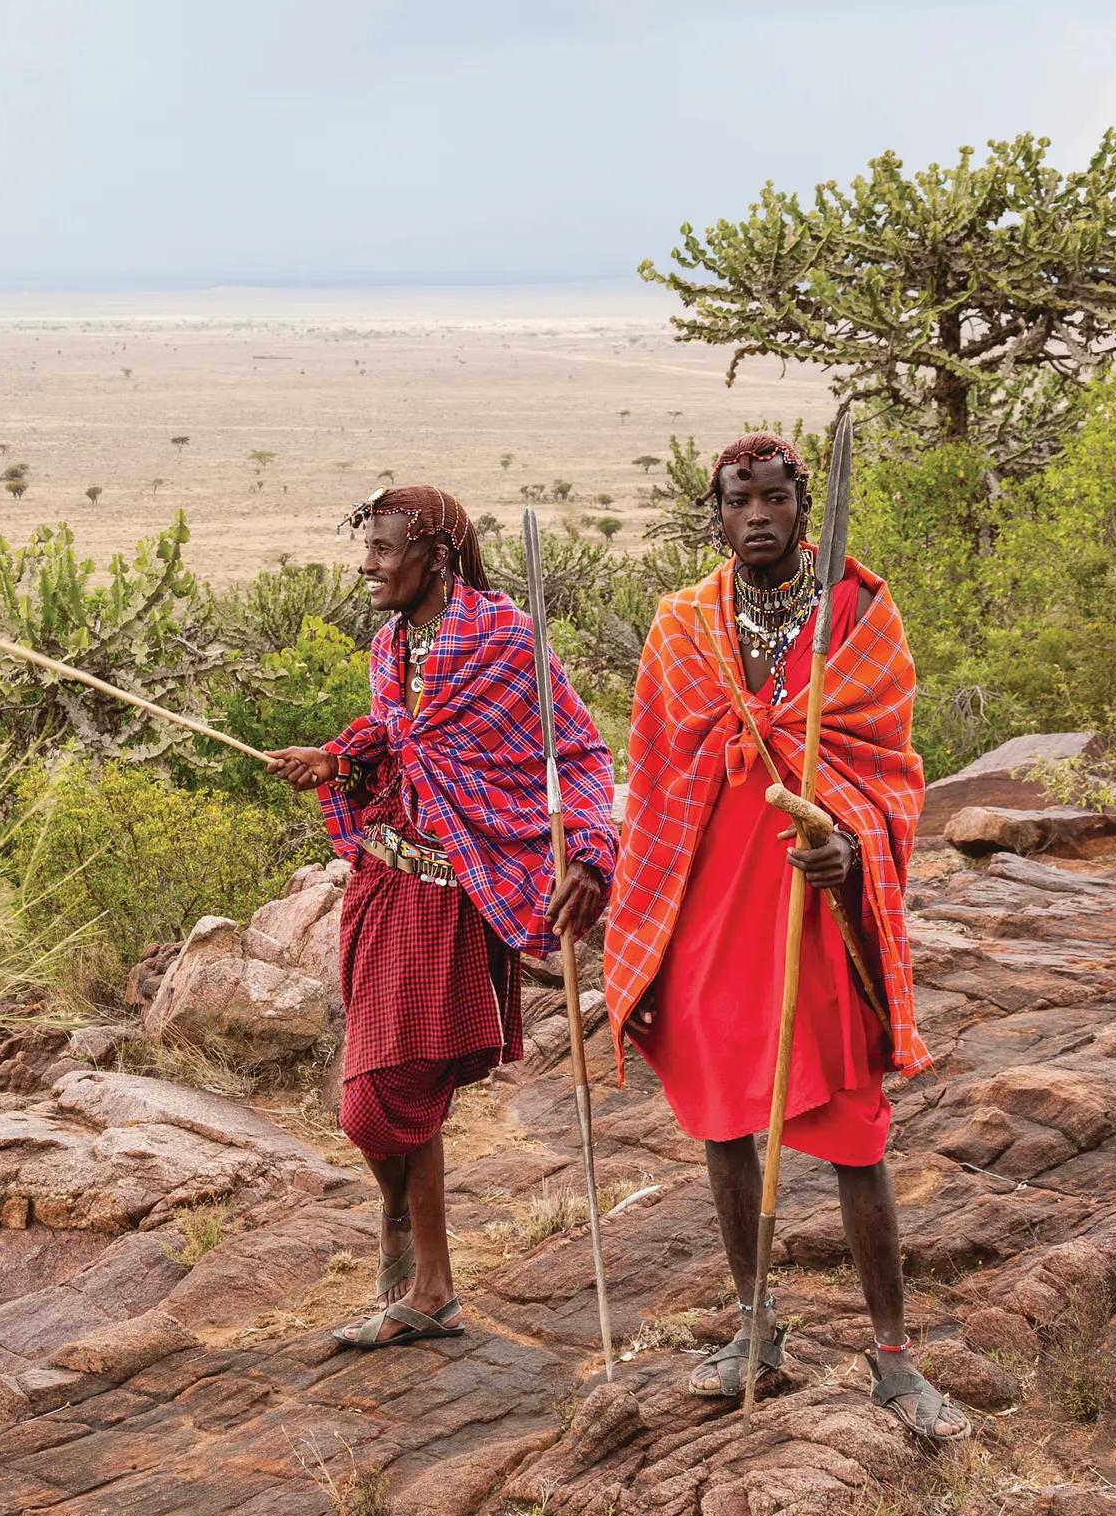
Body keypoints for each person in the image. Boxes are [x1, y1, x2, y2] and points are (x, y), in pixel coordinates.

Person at [602, 433, 967, 1442]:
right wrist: (611, 884)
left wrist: (845, 846)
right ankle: (753, 1325)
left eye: (774, 497)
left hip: (814, 906)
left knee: (854, 1123)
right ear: (713, 513)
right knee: (724, 1116)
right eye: (736, 498)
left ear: (804, 509)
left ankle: (894, 1352)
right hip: (711, 899)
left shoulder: (857, 616)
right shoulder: (680, 626)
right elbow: (656, 768)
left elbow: (890, 770)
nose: (756, 513)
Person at [267, 485, 613, 1350]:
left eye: (385, 550)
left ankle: (419, 1270)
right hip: (381, 880)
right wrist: (336, 758)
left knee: (390, 1093)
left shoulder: (504, 640)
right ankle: (427, 1273)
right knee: (381, 1092)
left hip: (454, 889)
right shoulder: (391, 644)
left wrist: (589, 855)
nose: (368, 565)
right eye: (368, 548)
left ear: (437, 557)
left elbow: (576, 751)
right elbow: (395, 741)